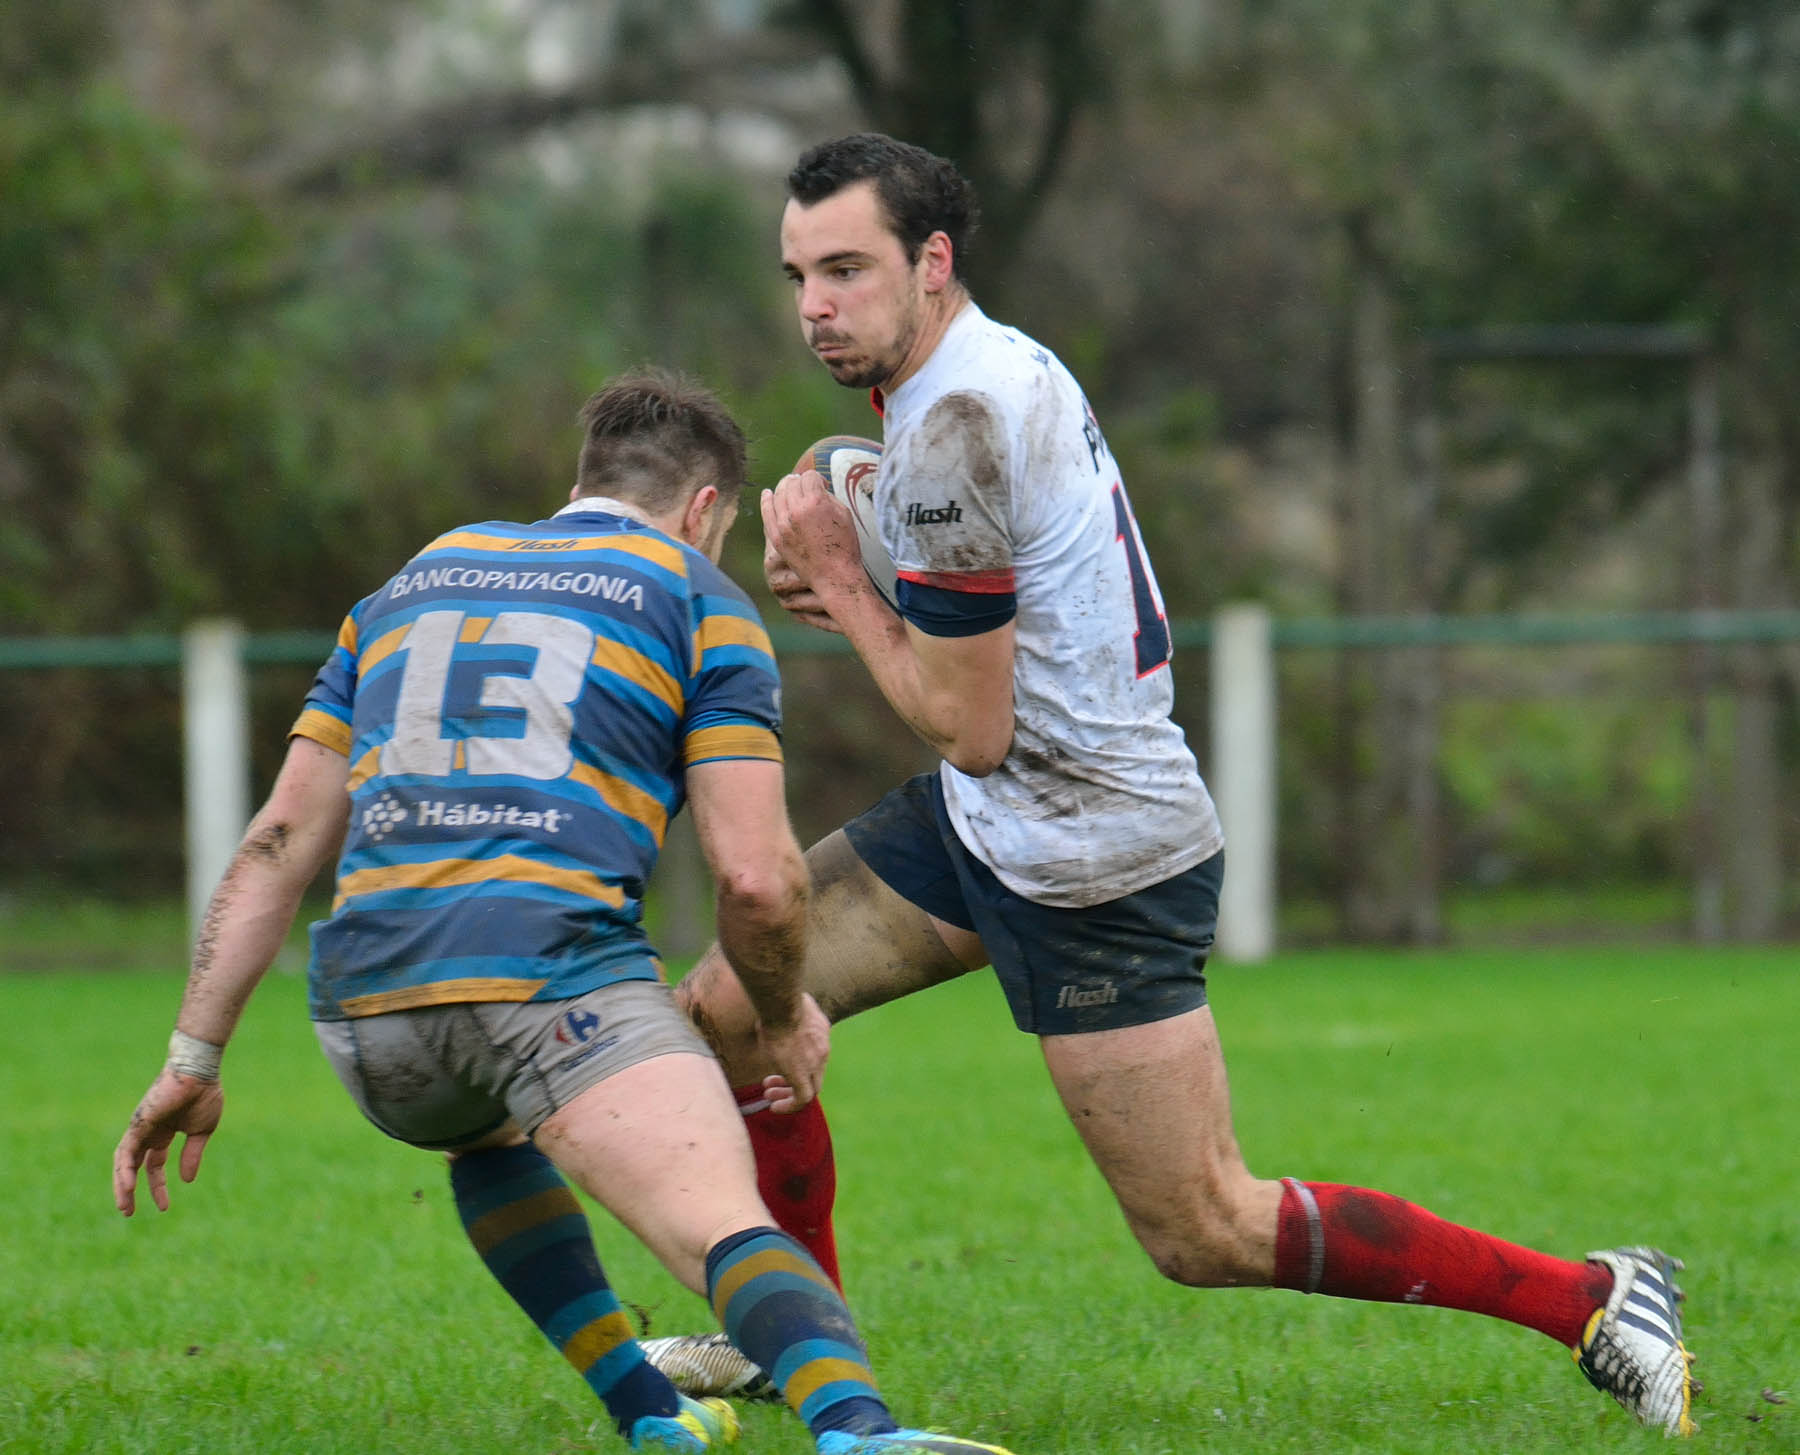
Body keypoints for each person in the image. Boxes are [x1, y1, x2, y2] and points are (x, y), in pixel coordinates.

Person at [645, 135, 1699, 1439]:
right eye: (799, 273)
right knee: (736, 1004)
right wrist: (867, 567)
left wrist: (847, 585)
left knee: (1202, 1223)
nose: (815, 306)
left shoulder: (958, 426)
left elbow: (967, 724)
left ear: (933, 261)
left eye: (847, 269)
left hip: (1097, 855)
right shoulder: (974, 370)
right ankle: (793, 1337)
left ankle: (1596, 1292)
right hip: (996, 818)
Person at [112, 368, 1023, 1455]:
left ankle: (652, 1416)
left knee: (485, 1136)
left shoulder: (414, 582)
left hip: (366, 1011)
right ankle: (858, 1428)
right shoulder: (695, 599)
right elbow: (756, 879)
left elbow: (276, 842)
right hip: (545, 980)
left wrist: (194, 1058)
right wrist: (780, 1016)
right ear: (703, 512)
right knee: (719, 1223)